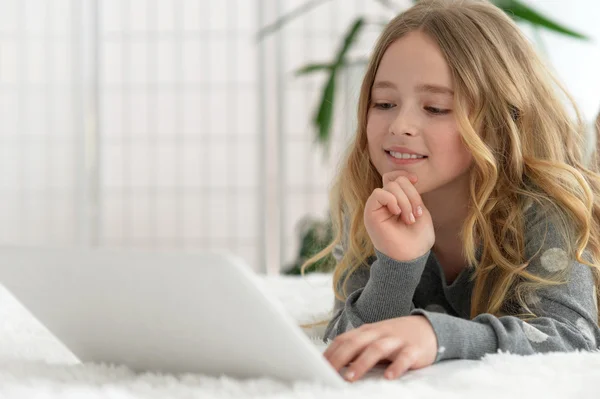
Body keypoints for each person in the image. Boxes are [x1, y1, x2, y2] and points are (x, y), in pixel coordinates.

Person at [302, 0, 600, 383]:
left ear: (498, 121)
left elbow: (573, 338)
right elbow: (350, 344)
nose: (401, 125)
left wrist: (435, 334)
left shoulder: (545, 206)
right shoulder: (369, 201)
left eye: (436, 107)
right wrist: (396, 265)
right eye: (384, 103)